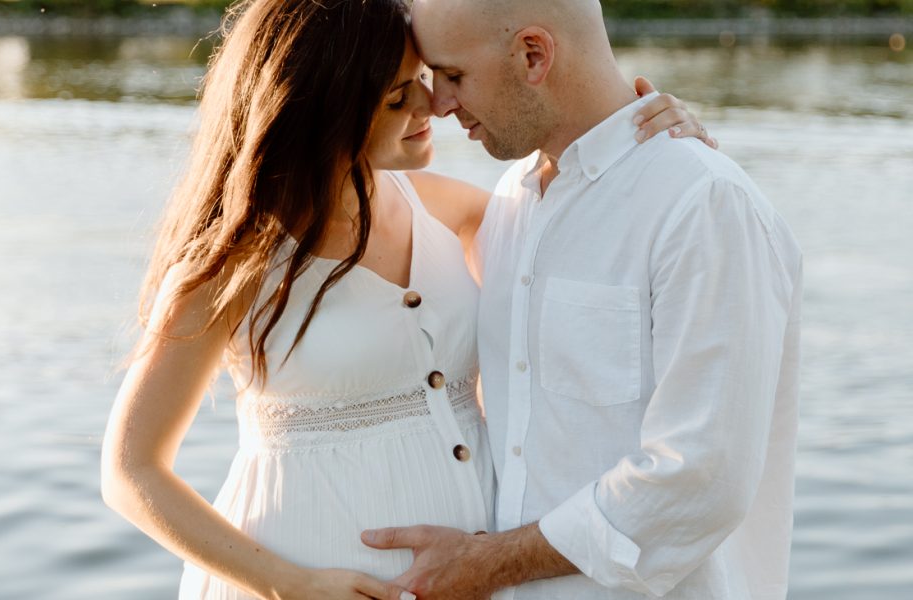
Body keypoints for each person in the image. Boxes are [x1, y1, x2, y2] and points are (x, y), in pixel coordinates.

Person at [100, 0, 710, 598]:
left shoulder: (452, 209)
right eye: (397, 96)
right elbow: (131, 470)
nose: (433, 106)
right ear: (322, 111)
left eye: (421, 79)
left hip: (470, 578)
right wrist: (288, 584)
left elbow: (594, 223)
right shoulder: (234, 261)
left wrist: (656, 142)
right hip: (298, 576)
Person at [361, 1, 803, 599]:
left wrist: (485, 564)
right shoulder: (513, 201)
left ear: (533, 55)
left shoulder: (703, 204)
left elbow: (700, 477)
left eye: (454, 76)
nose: (437, 103)